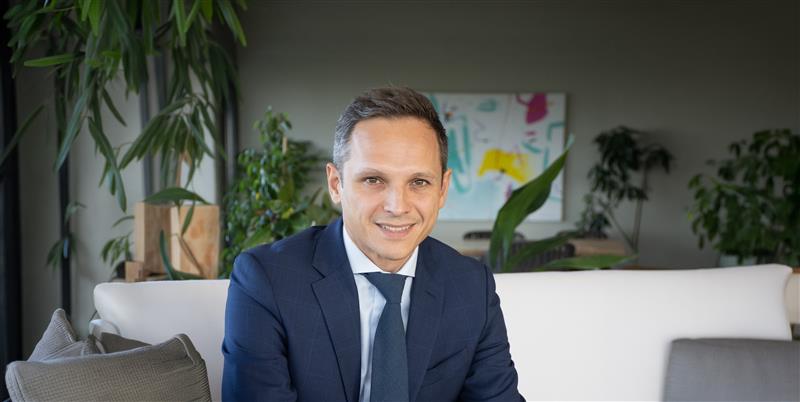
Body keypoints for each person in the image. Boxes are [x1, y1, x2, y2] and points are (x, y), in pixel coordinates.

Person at [222, 87, 523, 402]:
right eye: (373, 180)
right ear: (336, 184)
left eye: (419, 182)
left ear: (443, 189)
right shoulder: (266, 281)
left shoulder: (471, 286)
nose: (397, 206)